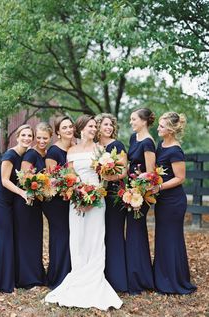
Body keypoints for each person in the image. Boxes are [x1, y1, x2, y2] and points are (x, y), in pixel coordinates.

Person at [44, 114, 122, 310]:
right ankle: (79, 274)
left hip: (97, 199)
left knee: (95, 238)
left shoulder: (101, 150)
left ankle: (94, 279)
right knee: (78, 238)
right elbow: (70, 177)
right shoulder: (71, 150)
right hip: (76, 200)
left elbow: (105, 178)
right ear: (81, 129)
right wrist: (78, 195)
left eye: (95, 126)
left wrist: (93, 195)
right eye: (90, 126)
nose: (94, 129)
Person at [152, 112, 197, 294]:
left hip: (173, 202)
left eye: (161, 126)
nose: (158, 128)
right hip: (162, 201)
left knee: (172, 239)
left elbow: (180, 177)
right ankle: (161, 277)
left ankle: (174, 281)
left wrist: (159, 187)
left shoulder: (175, 150)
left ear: (170, 130)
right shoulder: (160, 146)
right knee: (162, 238)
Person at [0, 124, 34, 293]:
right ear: (17, 137)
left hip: (10, 202)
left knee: (7, 238)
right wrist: (23, 193)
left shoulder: (24, 155)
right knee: (3, 238)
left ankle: (3, 279)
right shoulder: (10, 155)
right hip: (0, 202)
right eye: (24, 135)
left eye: (30, 135)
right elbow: (5, 181)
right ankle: (2, 284)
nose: (27, 138)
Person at [13, 122, 52, 289]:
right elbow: (23, 179)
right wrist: (37, 187)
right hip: (26, 202)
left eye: (45, 138)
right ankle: (27, 279)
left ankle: (36, 275)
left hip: (37, 204)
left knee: (35, 239)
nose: (41, 141)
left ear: (51, 138)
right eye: (39, 138)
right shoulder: (31, 154)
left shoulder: (46, 154)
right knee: (27, 239)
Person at [95, 113, 128, 292]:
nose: (108, 127)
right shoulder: (96, 147)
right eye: (105, 124)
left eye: (111, 125)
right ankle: (102, 275)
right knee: (102, 234)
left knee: (114, 233)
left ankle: (118, 279)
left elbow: (123, 172)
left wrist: (106, 176)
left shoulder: (117, 145)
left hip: (114, 194)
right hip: (98, 194)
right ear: (98, 126)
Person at [126, 108, 155, 294]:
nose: (131, 122)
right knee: (132, 232)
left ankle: (140, 279)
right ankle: (133, 275)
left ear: (144, 121)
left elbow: (151, 174)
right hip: (128, 192)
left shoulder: (148, 143)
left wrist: (138, 191)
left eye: (134, 119)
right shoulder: (132, 139)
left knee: (136, 232)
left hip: (142, 194)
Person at [43, 116, 74, 289]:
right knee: (60, 236)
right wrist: (66, 188)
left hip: (70, 200)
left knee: (71, 236)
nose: (69, 129)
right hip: (55, 201)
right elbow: (50, 179)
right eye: (64, 127)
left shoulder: (76, 148)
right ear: (58, 132)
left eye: (70, 126)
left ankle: (70, 273)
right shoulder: (54, 151)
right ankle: (57, 277)